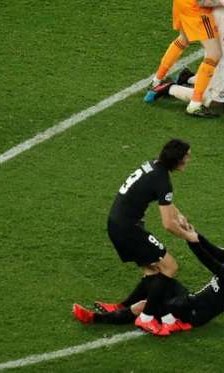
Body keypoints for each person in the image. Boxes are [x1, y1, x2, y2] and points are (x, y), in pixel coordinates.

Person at [73, 228, 224, 336]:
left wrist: (192, 241)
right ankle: (118, 306)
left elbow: (211, 263)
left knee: (145, 306)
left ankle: (94, 319)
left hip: (193, 314)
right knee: (157, 276)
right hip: (190, 301)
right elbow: (213, 250)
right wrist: (191, 232)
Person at [86, 138, 196, 335]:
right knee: (170, 266)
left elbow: (165, 204)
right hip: (129, 229)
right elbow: (167, 224)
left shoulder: (152, 166)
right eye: (186, 155)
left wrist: (179, 215)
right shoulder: (164, 182)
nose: (189, 159)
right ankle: (146, 318)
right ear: (177, 159)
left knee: (153, 271)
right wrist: (188, 236)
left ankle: (124, 307)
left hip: (116, 224)